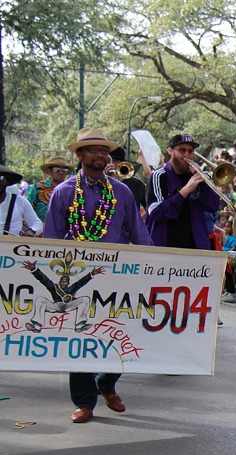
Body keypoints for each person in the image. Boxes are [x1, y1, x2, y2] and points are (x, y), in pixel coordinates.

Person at [43, 127, 152, 423]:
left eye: (104, 151)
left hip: (118, 278)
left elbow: (139, 234)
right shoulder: (63, 192)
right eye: (93, 150)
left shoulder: (122, 191)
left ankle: (106, 383)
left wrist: (155, 267)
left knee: (122, 334)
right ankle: (84, 402)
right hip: (78, 279)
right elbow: (51, 240)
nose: (101, 155)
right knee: (80, 339)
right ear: (79, 154)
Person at [146, 134, 221, 249]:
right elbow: (156, 212)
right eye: (182, 150)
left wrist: (202, 181)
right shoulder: (159, 176)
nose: (186, 155)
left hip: (195, 248)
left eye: (190, 151)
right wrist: (184, 192)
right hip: (165, 248)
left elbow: (213, 206)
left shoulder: (195, 176)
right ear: (171, 151)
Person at [25, 156, 71, 221]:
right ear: (49, 171)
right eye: (57, 169)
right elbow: (25, 210)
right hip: (42, 228)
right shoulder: (37, 188)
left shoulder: (70, 189)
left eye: (64, 170)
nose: (61, 172)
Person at [0, 165, 42, 237]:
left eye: (1, 178)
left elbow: (36, 222)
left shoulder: (19, 201)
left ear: (7, 182)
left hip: (12, 246)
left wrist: (32, 230)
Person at [107, 147, 148, 211]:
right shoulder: (103, 183)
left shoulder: (137, 184)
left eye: (108, 162)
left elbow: (148, 209)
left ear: (118, 163)